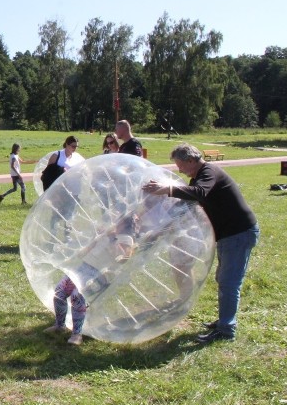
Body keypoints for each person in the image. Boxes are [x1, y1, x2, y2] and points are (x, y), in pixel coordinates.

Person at [143, 143, 259, 343]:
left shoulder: (209, 172)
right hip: (229, 235)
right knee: (224, 280)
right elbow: (187, 203)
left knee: (229, 283)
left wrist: (167, 189)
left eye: (180, 165)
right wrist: (158, 228)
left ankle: (226, 330)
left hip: (238, 233)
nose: (179, 170)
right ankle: (224, 321)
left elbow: (199, 193)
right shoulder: (199, 176)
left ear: (190, 160)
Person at [45, 215, 136, 345]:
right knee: (59, 292)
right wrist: (96, 237)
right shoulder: (107, 233)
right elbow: (84, 253)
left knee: (77, 296)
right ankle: (59, 326)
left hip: (100, 275)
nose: (114, 221)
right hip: (83, 268)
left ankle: (77, 334)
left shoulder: (127, 239)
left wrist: (111, 237)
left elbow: (122, 258)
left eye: (118, 220)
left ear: (125, 223)